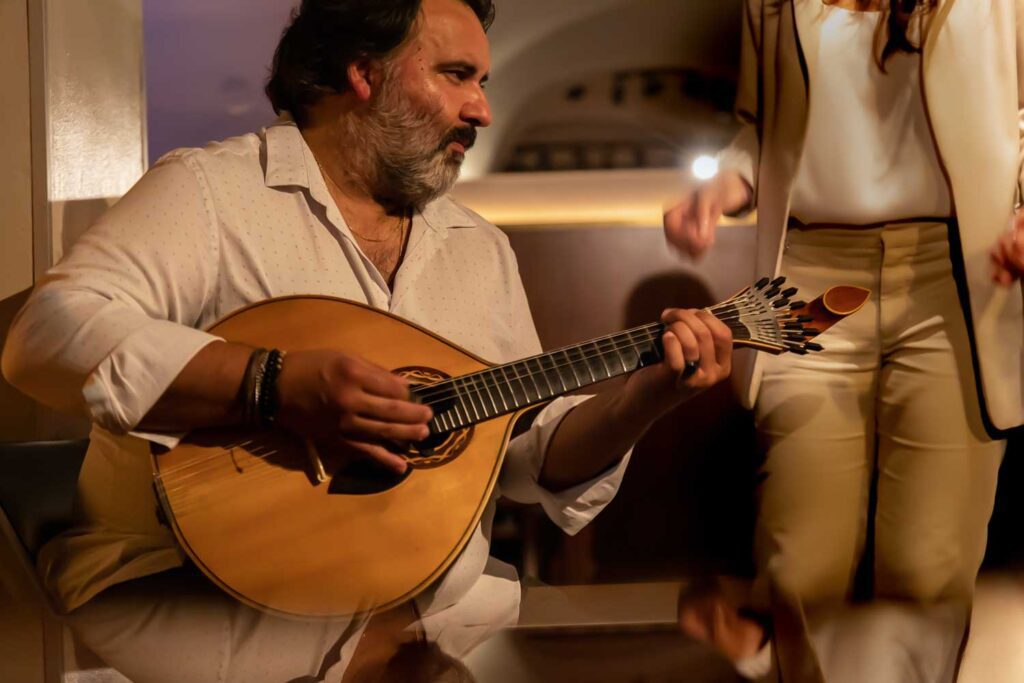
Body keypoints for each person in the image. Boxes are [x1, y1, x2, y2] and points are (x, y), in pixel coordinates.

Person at [1, 0, 734, 681]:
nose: (481, 107)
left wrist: (645, 395)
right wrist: (272, 384)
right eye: (455, 76)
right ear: (364, 72)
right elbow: (46, 333)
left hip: (433, 614)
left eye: (482, 81)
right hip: (206, 606)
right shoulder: (210, 193)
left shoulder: (478, 250)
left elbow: (523, 451)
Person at [664, 0, 1024, 680]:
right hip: (809, 277)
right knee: (798, 565)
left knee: (930, 571)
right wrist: (723, 189)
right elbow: (758, 127)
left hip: (953, 270)